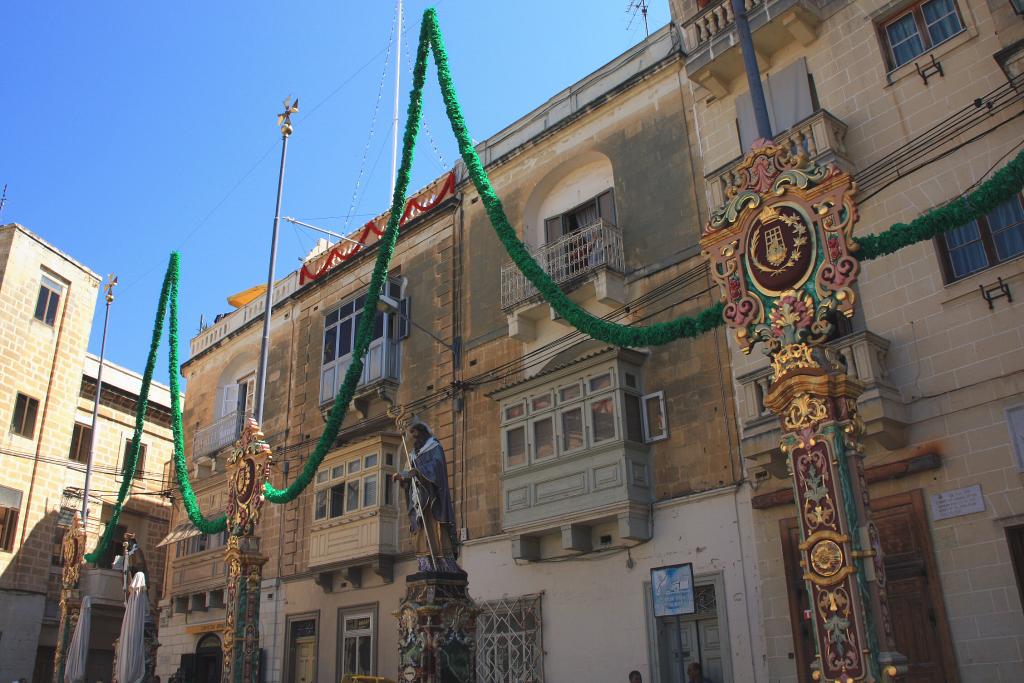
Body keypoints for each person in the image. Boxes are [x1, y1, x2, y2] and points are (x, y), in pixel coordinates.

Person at [393, 421, 459, 572]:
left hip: (434, 497)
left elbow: (437, 466)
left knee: (437, 527)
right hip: (419, 500)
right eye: (412, 437)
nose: (414, 440)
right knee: (421, 528)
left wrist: (419, 471)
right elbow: (408, 473)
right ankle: (427, 560)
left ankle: (442, 560)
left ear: (423, 434)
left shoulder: (435, 447)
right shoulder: (412, 455)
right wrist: (402, 476)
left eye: (416, 436)